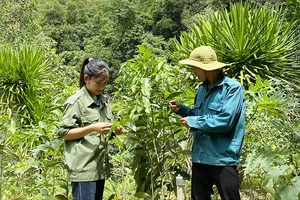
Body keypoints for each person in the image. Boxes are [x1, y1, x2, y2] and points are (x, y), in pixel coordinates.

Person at [170, 46, 246, 200]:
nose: (194, 72)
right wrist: (182, 110)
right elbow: (200, 117)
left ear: (207, 69)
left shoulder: (232, 89)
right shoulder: (201, 90)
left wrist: (192, 121)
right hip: (201, 157)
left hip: (222, 159)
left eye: (195, 68)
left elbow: (225, 121)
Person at [58, 58, 125, 200]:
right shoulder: (76, 102)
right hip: (83, 169)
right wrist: (92, 127)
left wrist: (114, 131)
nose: (101, 87)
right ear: (86, 78)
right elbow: (65, 133)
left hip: (99, 168)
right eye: (98, 82)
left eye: (105, 83)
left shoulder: (104, 101)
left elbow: (102, 133)